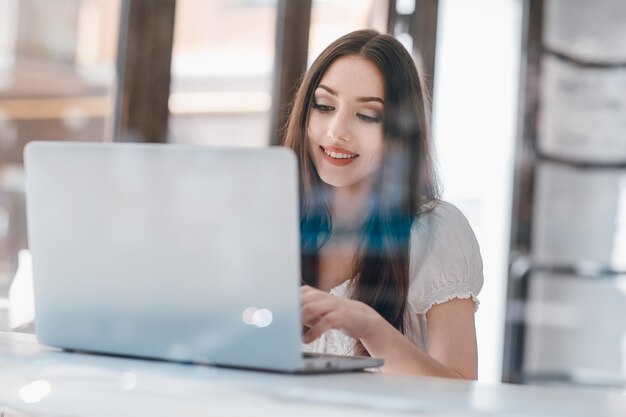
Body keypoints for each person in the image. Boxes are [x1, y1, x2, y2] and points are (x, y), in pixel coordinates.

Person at [282, 29, 483, 379]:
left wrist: (368, 327)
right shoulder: (273, 221)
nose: (336, 132)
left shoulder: (436, 231)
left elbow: (460, 389)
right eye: (325, 106)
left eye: (368, 115)